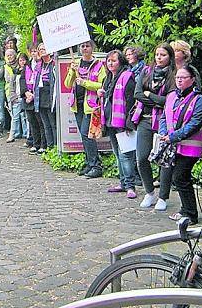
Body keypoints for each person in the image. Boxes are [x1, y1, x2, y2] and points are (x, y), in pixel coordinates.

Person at [156, 65, 202, 223]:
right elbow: (164, 116)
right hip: (173, 144)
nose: (179, 80)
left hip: (190, 146)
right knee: (179, 178)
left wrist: (173, 136)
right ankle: (186, 209)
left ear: (192, 80)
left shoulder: (199, 99)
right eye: (177, 77)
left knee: (180, 177)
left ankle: (190, 214)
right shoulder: (172, 96)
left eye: (183, 77)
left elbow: (194, 124)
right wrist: (164, 132)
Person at [135, 43, 175, 208]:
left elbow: (169, 101)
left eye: (163, 55)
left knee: (164, 159)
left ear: (170, 57)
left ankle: (163, 197)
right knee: (141, 158)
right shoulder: (146, 71)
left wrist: (150, 95)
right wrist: (156, 102)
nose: (159, 58)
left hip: (164, 121)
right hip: (144, 119)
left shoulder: (173, 75)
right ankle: (149, 192)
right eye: (157, 54)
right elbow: (138, 94)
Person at [63, 40, 106, 178]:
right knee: (83, 136)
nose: (85, 48)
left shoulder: (99, 65)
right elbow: (67, 84)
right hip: (78, 104)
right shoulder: (76, 63)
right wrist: (72, 70)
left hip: (91, 106)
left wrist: (84, 83)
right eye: (82, 46)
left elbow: (102, 85)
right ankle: (89, 164)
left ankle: (96, 166)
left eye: (87, 46)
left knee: (87, 135)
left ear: (92, 48)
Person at [99, 50, 138, 199]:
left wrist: (129, 123)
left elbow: (131, 101)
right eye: (108, 60)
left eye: (114, 60)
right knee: (117, 153)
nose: (110, 63)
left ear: (120, 61)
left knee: (125, 155)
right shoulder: (108, 78)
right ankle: (122, 183)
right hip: (110, 120)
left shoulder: (127, 76)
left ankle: (130, 186)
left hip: (122, 122)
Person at [33, 43, 58, 152]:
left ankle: (56, 147)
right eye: (40, 49)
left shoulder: (54, 64)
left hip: (51, 96)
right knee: (45, 124)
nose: (42, 51)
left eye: (44, 49)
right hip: (40, 97)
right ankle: (49, 147)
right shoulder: (38, 65)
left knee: (53, 124)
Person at [3, 49, 26, 143]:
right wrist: (13, 97)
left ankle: (26, 134)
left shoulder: (28, 71)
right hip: (16, 97)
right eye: (20, 60)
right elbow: (11, 86)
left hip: (25, 97)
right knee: (15, 117)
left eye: (23, 60)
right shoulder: (15, 72)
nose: (22, 62)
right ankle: (12, 134)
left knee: (25, 117)